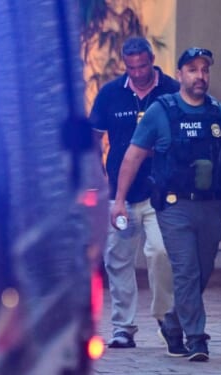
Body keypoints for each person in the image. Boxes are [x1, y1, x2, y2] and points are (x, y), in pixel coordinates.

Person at [110, 47, 221, 362]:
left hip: (209, 206)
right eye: (192, 69)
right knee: (186, 270)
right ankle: (197, 338)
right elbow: (133, 155)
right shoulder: (161, 111)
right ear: (179, 75)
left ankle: (173, 321)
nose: (200, 75)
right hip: (173, 206)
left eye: (204, 69)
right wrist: (120, 200)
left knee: (203, 269)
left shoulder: (219, 113)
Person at [89, 36, 180, 349]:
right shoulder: (110, 93)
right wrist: (99, 180)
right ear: (124, 64)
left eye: (143, 65)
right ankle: (123, 328)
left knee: (161, 252)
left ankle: (165, 319)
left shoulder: (171, 90)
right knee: (118, 260)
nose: (138, 73)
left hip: (161, 192)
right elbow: (93, 139)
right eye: (131, 67)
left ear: (152, 59)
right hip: (119, 195)